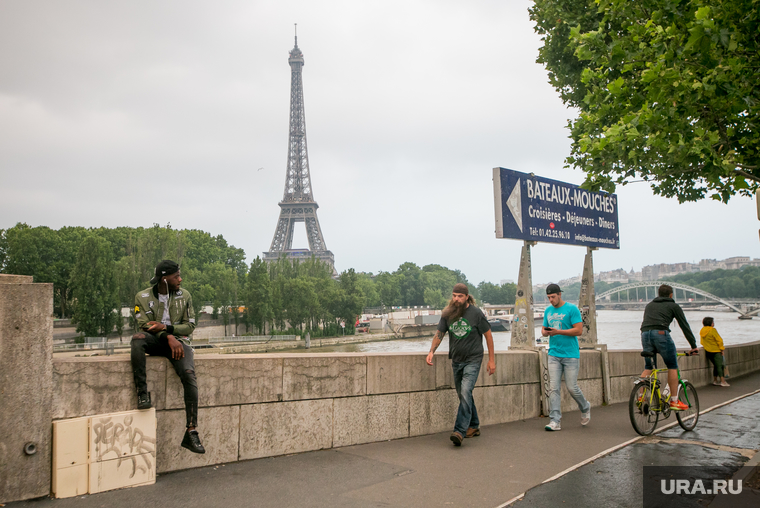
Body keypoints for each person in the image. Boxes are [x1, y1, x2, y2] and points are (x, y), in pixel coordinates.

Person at [131, 260, 205, 454]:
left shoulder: (185, 296)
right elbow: (145, 325)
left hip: (180, 343)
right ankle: (142, 393)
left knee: (189, 375)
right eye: (176, 277)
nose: (180, 280)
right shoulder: (142, 297)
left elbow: (190, 326)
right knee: (137, 339)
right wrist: (167, 336)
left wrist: (166, 328)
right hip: (159, 341)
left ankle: (191, 430)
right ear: (164, 280)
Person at [426, 283, 495, 446]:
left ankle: (459, 431)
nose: (456, 299)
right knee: (464, 394)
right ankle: (474, 425)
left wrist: (491, 360)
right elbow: (440, 333)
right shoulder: (448, 313)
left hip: (473, 359)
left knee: (465, 391)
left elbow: (488, 335)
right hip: (456, 360)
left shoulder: (476, 313)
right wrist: (431, 351)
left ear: (466, 297)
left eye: (460, 296)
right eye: (454, 295)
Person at [639, 284, 699, 411]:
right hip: (661, 334)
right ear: (671, 295)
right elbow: (684, 326)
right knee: (672, 366)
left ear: (659, 294)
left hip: (645, 335)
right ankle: (674, 401)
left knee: (648, 367)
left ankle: (640, 396)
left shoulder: (650, 305)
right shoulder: (673, 306)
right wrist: (693, 346)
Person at [541, 284, 590, 431]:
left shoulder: (572, 309)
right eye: (549, 297)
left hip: (571, 355)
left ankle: (585, 406)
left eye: (553, 297)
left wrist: (559, 332)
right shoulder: (548, 311)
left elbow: (579, 330)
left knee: (571, 387)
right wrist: (546, 332)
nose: (551, 300)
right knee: (553, 388)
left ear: (559, 294)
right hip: (554, 354)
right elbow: (543, 329)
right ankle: (555, 420)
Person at [700, 316, 729, 387]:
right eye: (713, 322)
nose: (713, 323)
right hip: (716, 351)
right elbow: (719, 340)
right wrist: (721, 349)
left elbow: (702, 342)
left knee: (716, 366)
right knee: (720, 366)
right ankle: (723, 381)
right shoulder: (713, 330)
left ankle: (715, 381)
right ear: (711, 323)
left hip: (708, 351)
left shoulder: (702, 330)